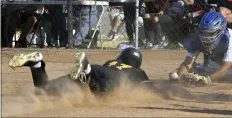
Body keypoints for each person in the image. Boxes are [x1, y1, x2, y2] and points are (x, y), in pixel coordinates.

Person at [168, 11, 232, 93]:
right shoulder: (198, 38)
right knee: (197, 70)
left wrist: (207, 79)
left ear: (221, 31)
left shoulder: (231, 39)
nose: (206, 37)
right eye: (204, 33)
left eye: (211, 33)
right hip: (223, 58)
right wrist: (180, 78)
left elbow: (225, 67)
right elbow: (187, 64)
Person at [8, 48, 157, 96]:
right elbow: (152, 90)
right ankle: (86, 71)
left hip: (96, 69)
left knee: (44, 90)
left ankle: (37, 64)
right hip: (107, 80)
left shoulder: (111, 63)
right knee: (104, 93)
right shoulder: (138, 72)